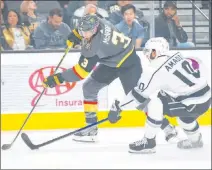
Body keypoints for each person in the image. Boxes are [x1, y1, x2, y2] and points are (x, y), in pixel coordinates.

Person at [42, 14, 177, 143]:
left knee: (137, 99)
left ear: (94, 30)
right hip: (112, 61)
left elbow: (80, 73)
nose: (84, 35)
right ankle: (90, 129)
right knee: (89, 87)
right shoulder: (97, 21)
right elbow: (87, 24)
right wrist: (77, 33)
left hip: (128, 64)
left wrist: (58, 78)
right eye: (83, 31)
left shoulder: (93, 48)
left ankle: (167, 128)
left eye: (87, 32)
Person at [108, 37, 211, 153]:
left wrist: (118, 108)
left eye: (148, 52)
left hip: (192, 103)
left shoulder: (154, 71)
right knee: (181, 114)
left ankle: (149, 142)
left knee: (154, 103)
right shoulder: (180, 56)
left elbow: (137, 96)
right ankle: (196, 140)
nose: (146, 55)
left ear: (155, 52)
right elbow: (200, 66)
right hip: (207, 96)